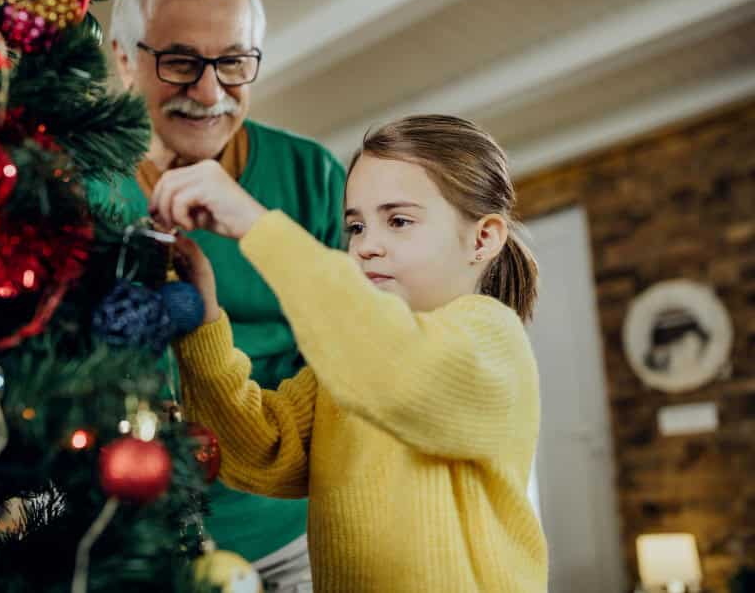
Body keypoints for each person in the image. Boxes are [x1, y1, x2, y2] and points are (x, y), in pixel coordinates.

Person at [153, 115, 549, 592]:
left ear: (483, 238)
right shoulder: (345, 366)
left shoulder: (491, 337)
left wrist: (261, 229)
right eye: (356, 226)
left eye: (398, 221)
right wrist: (204, 320)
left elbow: (398, 371)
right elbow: (259, 450)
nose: (365, 247)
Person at [98, 0, 346, 589]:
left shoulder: (312, 175)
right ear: (125, 58)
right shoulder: (77, 184)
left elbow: (354, 346)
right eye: (180, 61)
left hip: (289, 536)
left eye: (233, 61)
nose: (209, 92)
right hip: (121, 542)